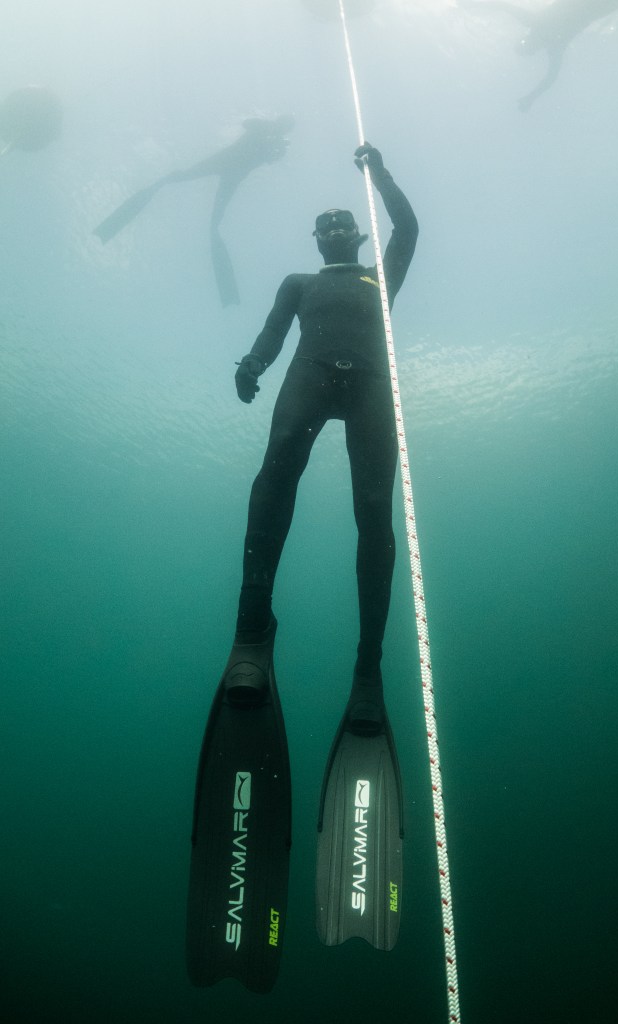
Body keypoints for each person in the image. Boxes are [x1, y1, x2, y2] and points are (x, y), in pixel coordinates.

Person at [232, 141, 418, 690]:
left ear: (358, 236)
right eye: (325, 226)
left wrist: (380, 173)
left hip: (370, 387)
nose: (335, 228)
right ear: (316, 240)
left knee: (373, 509)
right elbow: (274, 329)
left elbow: (407, 228)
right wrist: (254, 362)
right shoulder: (300, 283)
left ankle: (368, 663)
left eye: (343, 224)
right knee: (275, 472)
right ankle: (252, 625)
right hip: (309, 376)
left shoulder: (380, 277)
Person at [94, 114, 294, 304]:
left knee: (215, 220)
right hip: (226, 161)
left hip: (234, 172)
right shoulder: (263, 127)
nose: (281, 127)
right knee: (181, 178)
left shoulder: (278, 145)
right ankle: (113, 224)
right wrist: (267, 128)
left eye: (284, 127)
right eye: (282, 123)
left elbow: (272, 158)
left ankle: (228, 293)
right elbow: (247, 123)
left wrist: (275, 143)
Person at [463, 0, 618, 111]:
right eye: (528, 48)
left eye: (525, 44)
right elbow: (551, 78)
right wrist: (531, 97)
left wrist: (473, 4)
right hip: (596, 9)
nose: (530, 44)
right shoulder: (554, 45)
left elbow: (503, 6)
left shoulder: (536, 25)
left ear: (526, 37)